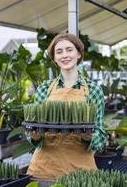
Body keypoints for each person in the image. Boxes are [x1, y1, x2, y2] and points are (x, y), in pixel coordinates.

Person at [26, 33, 107, 180]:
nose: (64, 55)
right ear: (54, 59)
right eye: (59, 52)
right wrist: (34, 135)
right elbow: (34, 135)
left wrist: (89, 136)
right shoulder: (44, 89)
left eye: (69, 50)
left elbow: (101, 135)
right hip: (45, 170)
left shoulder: (93, 90)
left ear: (79, 54)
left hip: (81, 172)